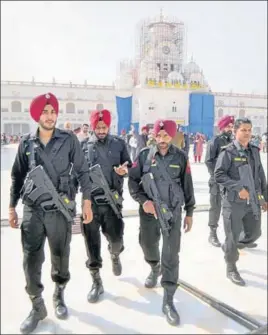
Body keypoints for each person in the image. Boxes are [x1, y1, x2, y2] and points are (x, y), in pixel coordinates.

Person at [8, 93, 93, 334]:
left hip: (60, 212)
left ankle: (59, 294)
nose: (50, 116)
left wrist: (87, 202)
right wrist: (12, 206)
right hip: (33, 212)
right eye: (45, 112)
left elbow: (83, 172)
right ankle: (36, 305)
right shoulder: (26, 143)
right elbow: (17, 176)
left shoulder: (69, 140)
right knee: (31, 259)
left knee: (60, 256)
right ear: (37, 115)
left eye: (53, 111)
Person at [128, 119, 195, 326]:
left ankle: (168, 298)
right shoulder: (144, 155)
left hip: (173, 212)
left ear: (172, 136)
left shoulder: (181, 157)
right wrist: (144, 201)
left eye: (166, 136)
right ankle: (154, 266)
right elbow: (132, 180)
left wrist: (189, 211)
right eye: (159, 136)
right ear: (154, 136)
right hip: (150, 211)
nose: (162, 140)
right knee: (147, 244)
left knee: (171, 253)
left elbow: (187, 185)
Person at [80, 109, 131, 304]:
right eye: (98, 127)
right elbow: (75, 172)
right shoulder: (83, 146)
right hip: (90, 203)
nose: (101, 130)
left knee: (117, 239)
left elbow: (130, 164)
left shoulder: (119, 143)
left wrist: (123, 169)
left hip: (113, 202)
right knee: (91, 243)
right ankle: (96, 281)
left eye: (104, 127)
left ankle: (115, 254)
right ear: (93, 127)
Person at [214, 117, 267, 286]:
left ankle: (230, 246)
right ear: (235, 131)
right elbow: (219, 175)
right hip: (233, 202)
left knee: (254, 233)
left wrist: (265, 197)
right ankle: (231, 267)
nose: (247, 133)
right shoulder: (228, 152)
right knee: (232, 234)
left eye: (249, 130)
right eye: (243, 130)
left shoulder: (254, 150)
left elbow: (260, 174)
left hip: (252, 200)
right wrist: (237, 188)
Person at [205, 115, 234, 247]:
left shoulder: (234, 141)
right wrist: (219, 176)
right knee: (215, 207)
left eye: (232, 126)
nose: (230, 128)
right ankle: (212, 233)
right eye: (228, 126)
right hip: (217, 181)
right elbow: (209, 161)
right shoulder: (215, 141)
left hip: (231, 181)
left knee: (232, 208)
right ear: (222, 127)